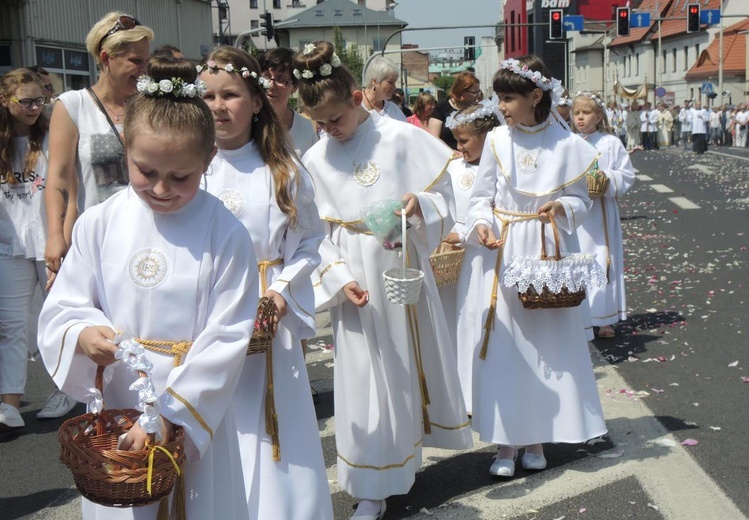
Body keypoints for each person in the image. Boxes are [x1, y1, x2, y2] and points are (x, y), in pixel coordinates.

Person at [37, 58, 259, 519]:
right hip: (119, 405)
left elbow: (229, 333)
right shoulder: (101, 222)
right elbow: (68, 303)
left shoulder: (226, 233)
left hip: (191, 407)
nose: (160, 188)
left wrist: (171, 416)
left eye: (181, 177)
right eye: (145, 171)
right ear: (126, 151)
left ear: (209, 160)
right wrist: (82, 332)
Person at [295, 41, 472, 520]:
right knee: (363, 377)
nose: (330, 130)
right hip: (355, 277)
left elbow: (444, 192)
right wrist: (335, 277)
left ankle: (403, 459)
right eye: (320, 123)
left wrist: (420, 206)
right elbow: (312, 234)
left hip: (400, 266)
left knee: (403, 367)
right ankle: (371, 486)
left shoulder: (399, 137)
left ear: (356, 99)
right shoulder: (314, 159)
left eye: (336, 118)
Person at [198, 46, 333, 520]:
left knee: (271, 432)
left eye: (230, 94)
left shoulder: (284, 170)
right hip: (205, 323)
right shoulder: (190, 170)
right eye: (208, 95)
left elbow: (311, 243)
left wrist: (280, 291)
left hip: (264, 321)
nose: (218, 105)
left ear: (256, 101)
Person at [465, 55, 606, 477]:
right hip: (505, 251)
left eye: (509, 98)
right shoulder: (495, 142)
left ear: (536, 96)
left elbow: (581, 199)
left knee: (544, 348)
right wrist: (482, 224)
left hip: (546, 251)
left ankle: (538, 436)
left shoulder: (568, 147)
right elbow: (479, 197)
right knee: (508, 348)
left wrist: (561, 204)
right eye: (499, 98)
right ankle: (506, 443)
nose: (501, 107)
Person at [44, 12, 153, 286]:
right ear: (106, 58)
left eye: (146, 62)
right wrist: (56, 236)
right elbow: (58, 177)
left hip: (149, 233)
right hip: (97, 240)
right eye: (135, 61)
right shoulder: (73, 106)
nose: (144, 70)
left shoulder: (150, 105)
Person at [0, 68, 57, 430]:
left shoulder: (53, 134)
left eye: (40, 99)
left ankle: (67, 390)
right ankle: (9, 404)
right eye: (27, 101)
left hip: (51, 242)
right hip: (9, 244)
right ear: (6, 102)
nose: (35, 107)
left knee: (57, 321)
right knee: (12, 327)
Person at [442, 98, 502, 414]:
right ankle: (462, 393)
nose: (459, 147)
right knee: (460, 323)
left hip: (486, 257)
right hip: (455, 263)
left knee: (482, 323)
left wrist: (465, 233)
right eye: (456, 140)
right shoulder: (453, 166)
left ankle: (484, 390)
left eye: (464, 140)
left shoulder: (499, 169)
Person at [571, 91, 635, 339]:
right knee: (576, 261)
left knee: (601, 261)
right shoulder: (569, 141)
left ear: (598, 116)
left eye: (586, 113)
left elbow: (626, 174)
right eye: (577, 113)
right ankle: (579, 316)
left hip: (601, 214)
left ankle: (604, 317)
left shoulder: (610, 143)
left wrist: (605, 181)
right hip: (576, 213)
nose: (580, 118)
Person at [259, 47, 319, 156]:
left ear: (295, 86)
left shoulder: (305, 128)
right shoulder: (247, 124)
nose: (271, 85)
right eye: (266, 77)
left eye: (280, 79)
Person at [429, 71, 481, 149]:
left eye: (478, 92)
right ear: (462, 92)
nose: (477, 96)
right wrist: (452, 153)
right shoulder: (441, 108)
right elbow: (433, 136)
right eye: (474, 92)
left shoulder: (478, 110)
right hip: (446, 155)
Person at [359, 55, 406, 121]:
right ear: (374, 81)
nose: (394, 87)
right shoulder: (355, 106)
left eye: (394, 83)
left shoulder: (394, 110)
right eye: (390, 82)